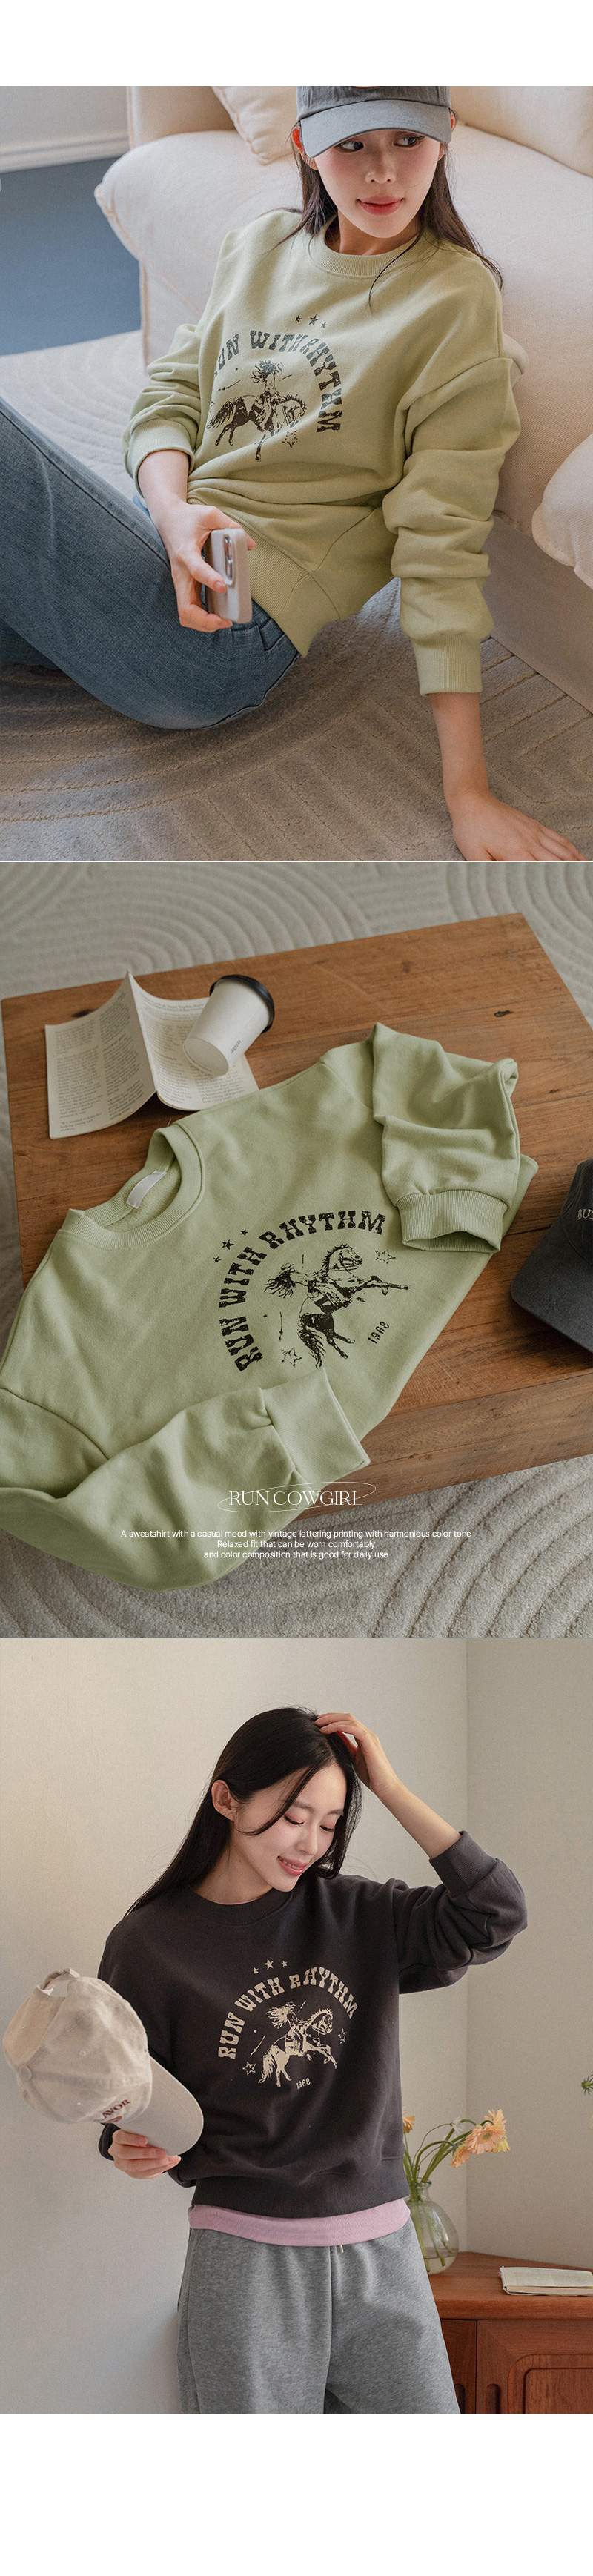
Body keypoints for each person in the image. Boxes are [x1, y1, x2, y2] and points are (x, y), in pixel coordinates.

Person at [0, 86, 585, 863]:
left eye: (406, 141)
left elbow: (440, 546)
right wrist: (171, 512)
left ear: (446, 136)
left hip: (226, 634)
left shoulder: (451, 303)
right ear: (305, 145)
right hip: (162, 544)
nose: (382, 173)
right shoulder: (261, 247)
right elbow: (172, 395)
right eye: (352, 145)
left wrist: (467, 793)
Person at [99, 1703, 527, 2414]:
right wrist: (126, 2144)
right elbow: (122, 2096)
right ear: (226, 1798)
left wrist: (388, 1787)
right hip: (245, 2259)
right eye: (295, 1817)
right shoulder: (149, 1943)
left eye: (329, 1824)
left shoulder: (358, 1915)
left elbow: (496, 1911)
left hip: (383, 2247)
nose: (311, 1842)